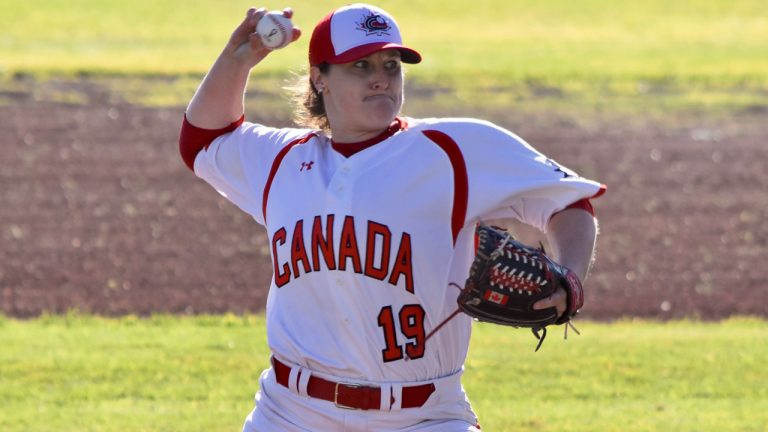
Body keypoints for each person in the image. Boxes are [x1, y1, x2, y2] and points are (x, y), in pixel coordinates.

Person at [179, 4, 605, 431]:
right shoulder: (282, 160)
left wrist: (570, 276)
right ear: (319, 78)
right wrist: (238, 60)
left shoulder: (453, 149)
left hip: (425, 416)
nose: (380, 77)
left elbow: (569, 202)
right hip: (291, 413)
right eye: (360, 66)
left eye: (390, 64)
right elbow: (201, 140)